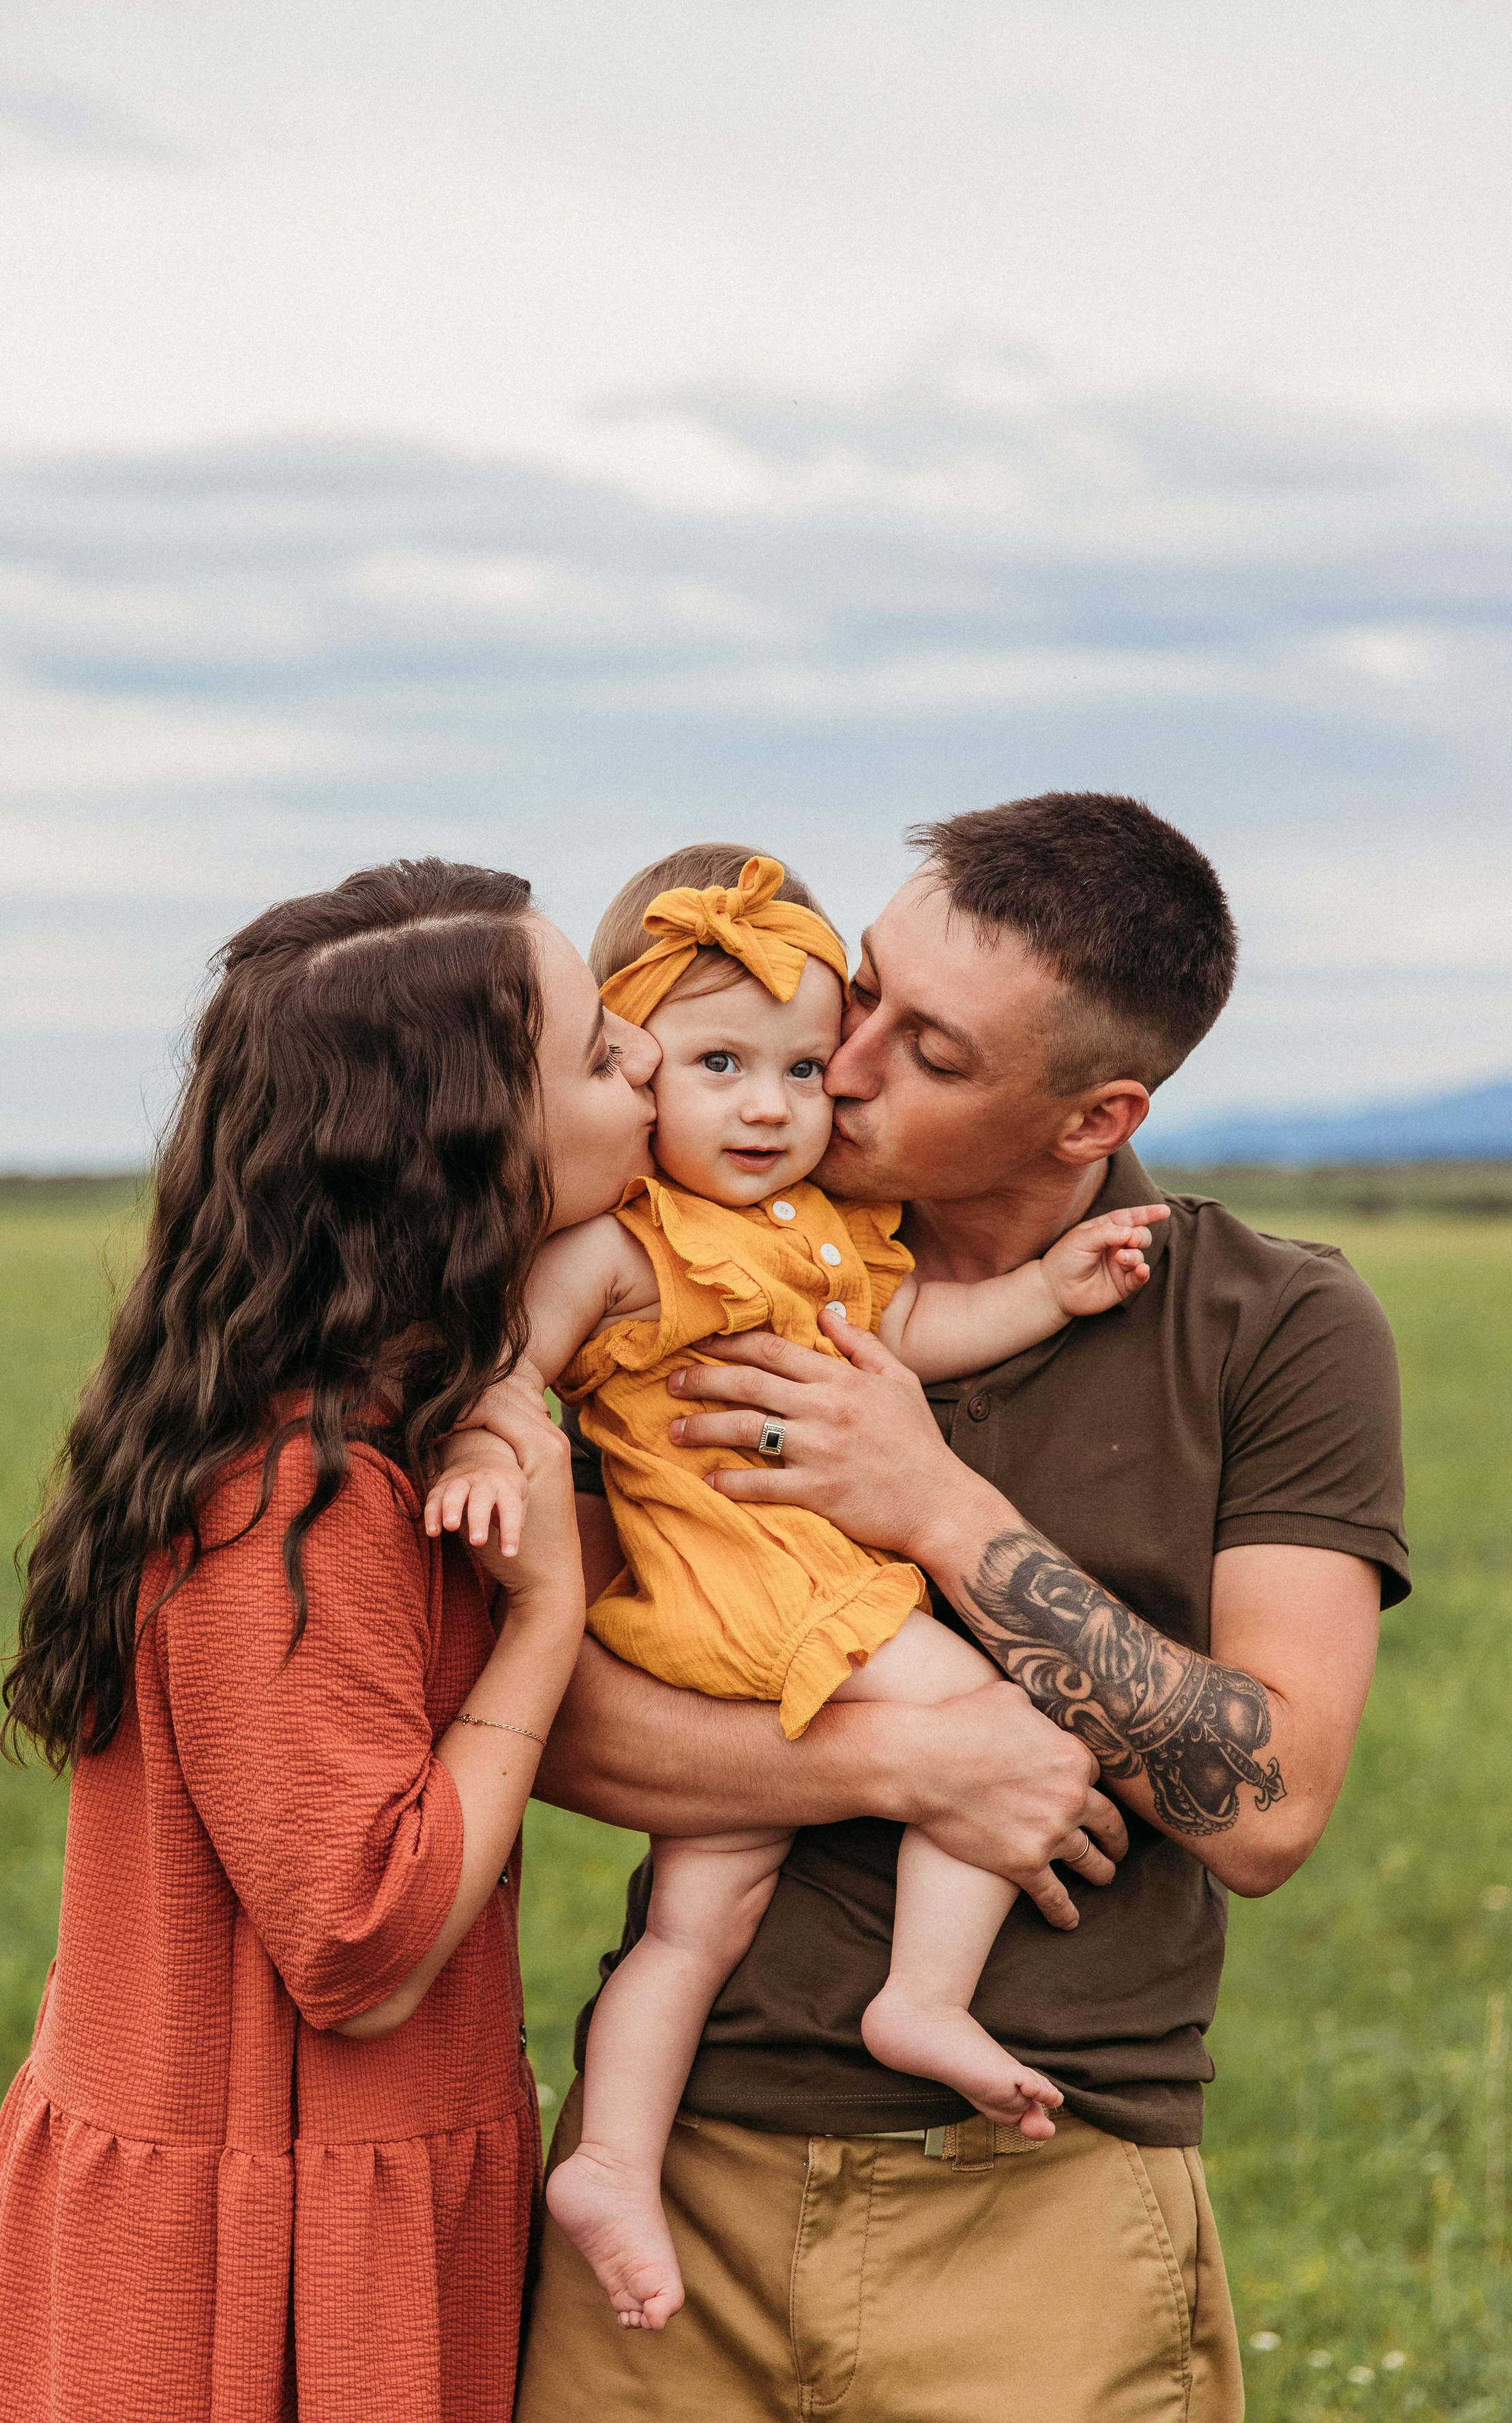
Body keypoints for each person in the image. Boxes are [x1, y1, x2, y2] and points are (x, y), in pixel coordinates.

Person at [489, 800, 1409, 2423]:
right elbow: (562, 1716)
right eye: (868, 994)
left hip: (1049, 2198)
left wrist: (937, 1509)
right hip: (686, 2176)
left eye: (931, 1050)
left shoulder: (1272, 1325)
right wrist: (914, 1752)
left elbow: (1274, 1807)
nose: (839, 1060)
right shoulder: (687, 1265)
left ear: (1095, 1119)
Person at [0, 859, 660, 2423]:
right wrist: (551, 1619)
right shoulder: (298, 1484)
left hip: (338, 2217)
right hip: (238, 2280)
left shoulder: (409, 1401)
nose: (644, 1055)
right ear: (467, 1149)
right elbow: (364, 1937)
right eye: (593, 1047)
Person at [432, 851, 1167, 2332]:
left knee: (694, 1924)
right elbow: (511, 1354)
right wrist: (487, 1438)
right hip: (758, 1589)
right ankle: (922, 1998)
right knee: (998, 1714)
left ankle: (609, 2159)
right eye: (715, 1066)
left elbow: (916, 1325)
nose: (767, 1107)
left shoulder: (821, 1238)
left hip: (754, 1610)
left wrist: (1045, 1292)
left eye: (795, 1069)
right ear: (636, 1081)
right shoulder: (625, 1243)